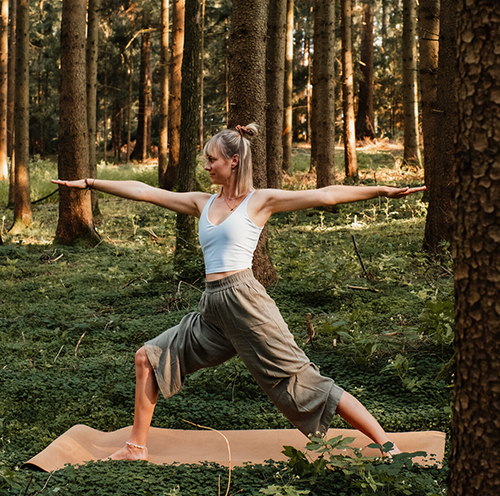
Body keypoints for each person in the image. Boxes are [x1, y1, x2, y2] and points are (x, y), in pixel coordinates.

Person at [52, 123, 425, 461]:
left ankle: (385, 441)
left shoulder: (259, 201)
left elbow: (325, 195)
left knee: (303, 381)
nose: (207, 166)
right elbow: (146, 191)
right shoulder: (202, 202)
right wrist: (89, 184)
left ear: (233, 161)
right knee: (147, 358)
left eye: (211, 160)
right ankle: (136, 447)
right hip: (212, 309)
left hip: (246, 303)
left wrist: (381, 191)